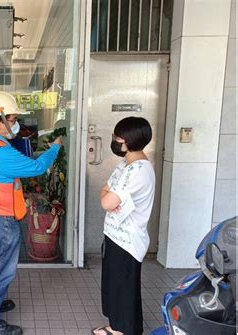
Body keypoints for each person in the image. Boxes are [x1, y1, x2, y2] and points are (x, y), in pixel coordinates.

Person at [0, 91, 63, 335]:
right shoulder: (2, 153)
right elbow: (37, 167)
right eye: (12, 119)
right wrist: (55, 148)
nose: (16, 123)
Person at [92, 117, 155, 335]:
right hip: (115, 235)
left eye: (117, 136)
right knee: (115, 284)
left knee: (124, 287)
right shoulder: (126, 164)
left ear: (127, 140)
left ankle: (123, 330)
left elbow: (106, 200)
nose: (114, 140)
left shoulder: (137, 171)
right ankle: (117, 325)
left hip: (127, 240)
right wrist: (108, 196)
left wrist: (108, 197)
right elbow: (105, 190)